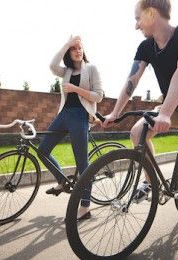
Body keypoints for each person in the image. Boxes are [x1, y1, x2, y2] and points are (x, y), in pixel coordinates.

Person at [101, 1, 178, 259]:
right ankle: (149, 181)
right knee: (137, 132)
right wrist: (116, 112)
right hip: (172, 105)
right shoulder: (146, 46)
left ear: (151, 13)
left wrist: (165, 112)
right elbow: (132, 81)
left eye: (137, 18)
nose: (136, 25)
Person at [38, 35, 104, 220]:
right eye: (74, 48)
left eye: (80, 47)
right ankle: (62, 181)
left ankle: (85, 207)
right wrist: (67, 43)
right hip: (64, 115)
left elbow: (98, 96)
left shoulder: (91, 69)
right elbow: (52, 66)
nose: (78, 50)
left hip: (79, 117)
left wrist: (76, 90)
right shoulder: (66, 71)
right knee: (42, 150)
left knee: (83, 164)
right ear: (69, 52)